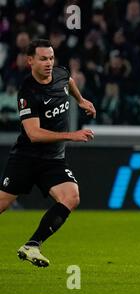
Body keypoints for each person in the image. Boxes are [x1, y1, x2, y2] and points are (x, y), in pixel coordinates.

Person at [0, 39, 96, 268]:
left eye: (51, 58)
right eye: (43, 59)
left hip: (52, 160)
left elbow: (69, 81)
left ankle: (33, 245)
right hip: (26, 159)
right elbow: (33, 134)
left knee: (71, 196)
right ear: (30, 60)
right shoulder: (27, 92)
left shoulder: (61, 74)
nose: (49, 63)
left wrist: (81, 100)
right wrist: (71, 135)